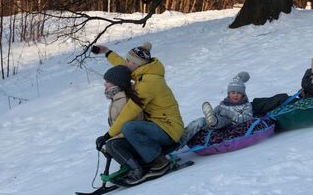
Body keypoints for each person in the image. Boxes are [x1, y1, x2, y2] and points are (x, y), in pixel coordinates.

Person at [94, 42, 184, 185]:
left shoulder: (149, 82)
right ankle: (139, 161)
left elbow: (131, 111)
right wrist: (107, 52)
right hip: (155, 125)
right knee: (126, 132)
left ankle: (159, 163)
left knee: (129, 127)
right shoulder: (143, 71)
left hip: (169, 129)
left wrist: (108, 135)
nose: (126, 63)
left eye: (129, 61)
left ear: (137, 64)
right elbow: (122, 66)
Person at [178, 72, 254, 148]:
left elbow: (247, 119)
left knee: (225, 120)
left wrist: (229, 114)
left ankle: (213, 121)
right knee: (200, 121)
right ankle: (180, 140)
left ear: (243, 94)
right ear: (228, 93)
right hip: (216, 120)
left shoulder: (246, 105)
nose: (235, 95)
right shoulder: (225, 103)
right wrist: (214, 112)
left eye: (239, 93)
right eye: (233, 92)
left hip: (230, 123)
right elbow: (236, 80)